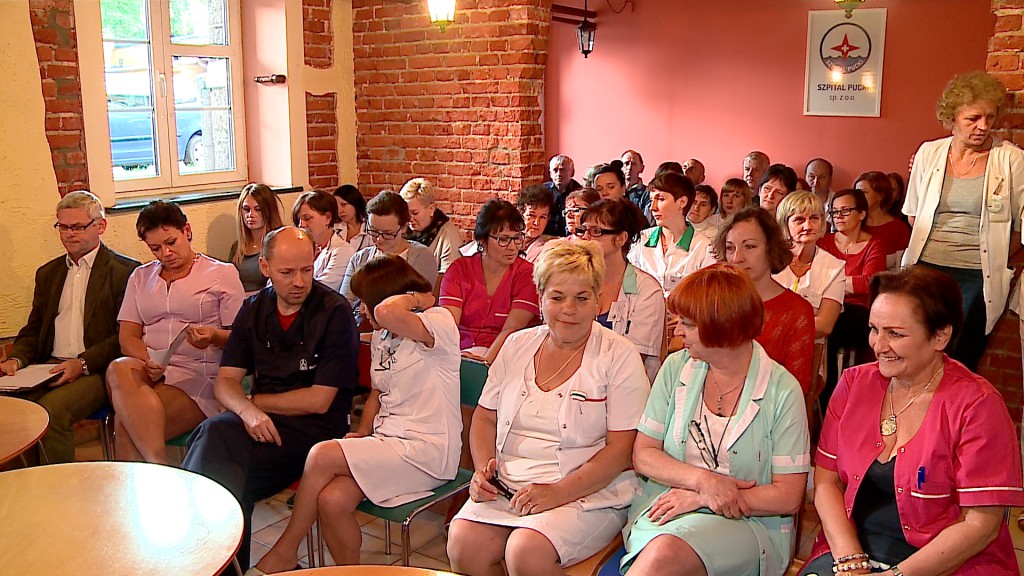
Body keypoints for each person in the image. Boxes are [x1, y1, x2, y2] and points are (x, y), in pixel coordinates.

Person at [801, 266, 1024, 576]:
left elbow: (981, 524)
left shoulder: (978, 405)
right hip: (853, 550)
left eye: (895, 333)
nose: (878, 345)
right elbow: (826, 482)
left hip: (949, 563)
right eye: (874, 329)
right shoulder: (853, 384)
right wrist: (851, 561)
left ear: (940, 336)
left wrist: (896, 575)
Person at [447, 240, 651, 576]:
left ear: (598, 300)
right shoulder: (517, 345)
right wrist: (484, 470)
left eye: (582, 298)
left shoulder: (619, 355)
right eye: (557, 297)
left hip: (587, 491)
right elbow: (485, 417)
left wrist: (557, 492)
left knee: (525, 552)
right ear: (540, 299)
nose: (569, 309)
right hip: (509, 485)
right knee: (463, 545)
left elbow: (621, 450)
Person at [248, 256, 462, 573]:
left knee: (321, 454)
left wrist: (421, 297)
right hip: (389, 443)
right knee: (332, 501)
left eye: (366, 301)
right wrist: (363, 434)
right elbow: (377, 393)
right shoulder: (383, 336)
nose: (362, 309)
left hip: (429, 449)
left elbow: (387, 312)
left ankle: (285, 551)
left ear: (386, 297)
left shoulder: (437, 321)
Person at [182, 226, 360, 571]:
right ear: (265, 267)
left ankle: (202, 560)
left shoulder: (334, 313)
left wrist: (256, 403)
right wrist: (248, 411)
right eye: (287, 272)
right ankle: (216, 562)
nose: (299, 281)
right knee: (224, 464)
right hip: (259, 427)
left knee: (219, 457)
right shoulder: (254, 309)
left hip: (314, 433)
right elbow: (226, 382)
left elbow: (319, 401)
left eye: (306, 270)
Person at [621, 264, 810, 576]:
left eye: (688, 324)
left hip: (747, 523)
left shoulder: (782, 390)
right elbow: (643, 454)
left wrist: (703, 499)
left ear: (722, 326)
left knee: (663, 557)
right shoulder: (676, 367)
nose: (677, 331)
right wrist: (704, 482)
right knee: (664, 553)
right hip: (667, 509)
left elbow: (788, 496)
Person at [0, 191, 139, 464]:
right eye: (63, 227)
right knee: (11, 407)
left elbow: (123, 336)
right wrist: (17, 359)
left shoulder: (125, 271)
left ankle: (59, 483)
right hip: (48, 366)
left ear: (100, 226)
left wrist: (83, 363)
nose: (69, 234)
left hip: (98, 369)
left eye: (77, 227)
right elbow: (33, 330)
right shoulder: (48, 273)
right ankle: (28, 479)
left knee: (51, 411)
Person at [902, 71, 1024, 372]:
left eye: (990, 117)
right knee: (916, 350)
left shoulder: (1011, 160)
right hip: (926, 267)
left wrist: (995, 257)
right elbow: (914, 212)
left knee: (960, 358)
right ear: (952, 117)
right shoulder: (929, 153)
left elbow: (1021, 226)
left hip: (978, 275)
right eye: (973, 118)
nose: (983, 126)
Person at [106, 200, 245, 463]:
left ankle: (156, 467)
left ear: (187, 231)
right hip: (151, 369)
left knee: (125, 425)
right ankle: (161, 467)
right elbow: (127, 337)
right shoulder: (140, 277)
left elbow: (241, 340)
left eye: (171, 242)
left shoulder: (221, 273)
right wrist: (149, 360)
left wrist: (213, 336)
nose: (166, 253)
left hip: (198, 375)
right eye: (155, 248)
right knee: (118, 368)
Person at [715, 206, 815, 393]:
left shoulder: (797, 311)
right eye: (730, 248)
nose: (736, 258)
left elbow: (796, 388)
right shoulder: (714, 301)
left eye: (750, 247)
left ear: (771, 248)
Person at [439, 199, 540, 364]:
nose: (512, 247)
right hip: (457, 352)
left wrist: (484, 362)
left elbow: (512, 329)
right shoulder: (460, 269)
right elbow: (448, 325)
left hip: (505, 355)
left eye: (517, 238)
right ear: (482, 240)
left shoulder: (528, 274)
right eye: (503, 239)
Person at [576, 199, 665, 381]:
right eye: (583, 230)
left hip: (624, 382)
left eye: (596, 231)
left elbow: (634, 360)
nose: (585, 238)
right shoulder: (576, 281)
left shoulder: (647, 290)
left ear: (620, 239)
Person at [820, 188, 889, 397]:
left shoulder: (874, 245)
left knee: (837, 326)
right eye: (834, 212)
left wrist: (833, 283)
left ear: (861, 214)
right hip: (826, 306)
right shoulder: (824, 243)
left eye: (845, 211)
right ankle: (825, 394)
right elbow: (817, 279)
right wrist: (848, 283)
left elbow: (869, 282)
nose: (838, 216)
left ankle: (842, 393)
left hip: (858, 310)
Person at [341, 191, 439, 325]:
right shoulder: (360, 258)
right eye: (373, 231)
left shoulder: (421, 256)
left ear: (404, 227)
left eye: (388, 233)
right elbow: (345, 303)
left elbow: (420, 304)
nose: (379, 239)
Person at [773, 191, 845, 341]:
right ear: (785, 223)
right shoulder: (769, 260)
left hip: (811, 347)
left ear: (822, 222)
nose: (808, 226)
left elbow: (824, 325)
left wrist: (776, 324)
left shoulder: (835, 267)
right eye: (799, 220)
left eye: (814, 218)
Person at [628, 172, 711, 297]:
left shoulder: (703, 247)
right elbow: (629, 287)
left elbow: (706, 296)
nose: (652, 207)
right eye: (651, 200)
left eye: (660, 199)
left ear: (682, 202)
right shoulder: (641, 239)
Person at [292, 190, 355, 292]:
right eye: (298, 220)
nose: (301, 225)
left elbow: (322, 289)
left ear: (328, 218)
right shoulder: (300, 249)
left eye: (307, 218)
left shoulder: (342, 251)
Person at [399, 177, 464, 273]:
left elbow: (450, 276)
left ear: (431, 209)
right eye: (406, 213)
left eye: (415, 213)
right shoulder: (401, 230)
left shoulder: (448, 235)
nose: (409, 219)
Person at [230, 183, 285, 294]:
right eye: (246, 209)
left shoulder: (279, 245)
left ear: (269, 211)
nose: (251, 214)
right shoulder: (237, 247)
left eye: (258, 209)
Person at [858, 171, 911, 271]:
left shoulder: (899, 228)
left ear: (880, 196)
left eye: (864, 192)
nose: (858, 197)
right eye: (856, 193)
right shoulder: (853, 224)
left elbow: (900, 269)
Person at [544, 154, 583, 236]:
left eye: (563, 170)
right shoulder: (543, 191)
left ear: (572, 172)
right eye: (555, 170)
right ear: (550, 174)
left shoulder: (580, 192)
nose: (559, 174)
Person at [516, 184, 556, 262]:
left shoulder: (548, 249)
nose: (536, 223)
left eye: (542, 217)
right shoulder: (507, 240)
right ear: (521, 214)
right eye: (531, 215)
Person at [333, 184, 371, 252]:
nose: (339, 211)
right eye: (336, 207)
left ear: (355, 203)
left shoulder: (370, 230)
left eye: (343, 205)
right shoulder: (335, 228)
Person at [622, 149, 650, 221]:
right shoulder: (614, 190)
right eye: (626, 163)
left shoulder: (647, 192)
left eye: (634, 164)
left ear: (641, 168)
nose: (629, 168)